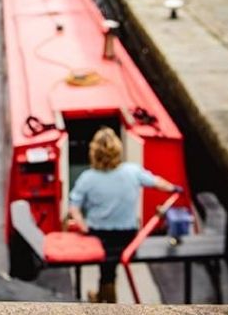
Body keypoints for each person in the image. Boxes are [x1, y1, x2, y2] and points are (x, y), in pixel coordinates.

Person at [67, 127, 183, 303]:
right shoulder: (133, 171)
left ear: (93, 153)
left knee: (107, 271)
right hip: (128, 236)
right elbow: (158, 183)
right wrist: (174, 188)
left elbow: (73, 207)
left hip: (98, 235)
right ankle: (102, 298)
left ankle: (106, 304)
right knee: (109, 271)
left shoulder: (87, 178)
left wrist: (83, 226)